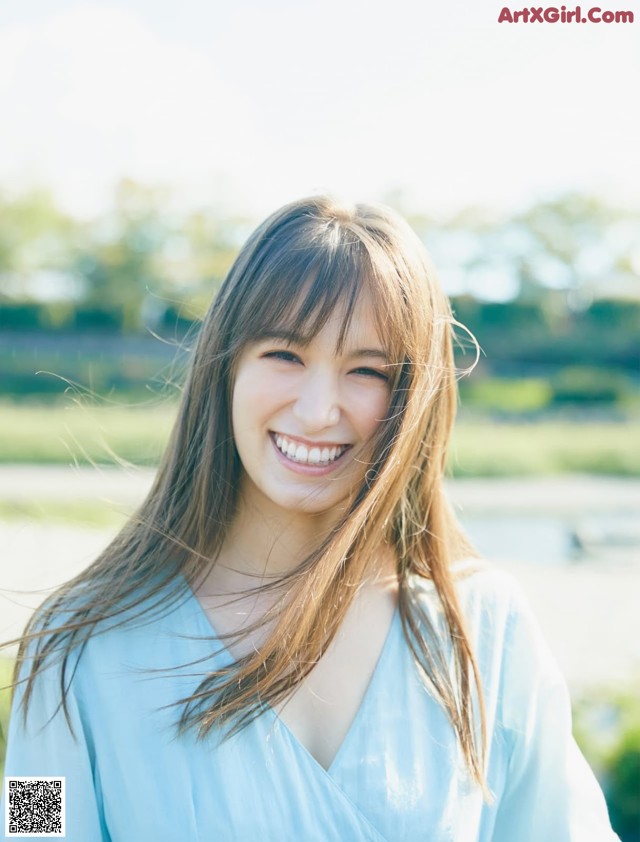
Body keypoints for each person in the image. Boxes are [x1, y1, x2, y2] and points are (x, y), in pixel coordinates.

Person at [1, 195, 619, 841]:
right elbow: (27, 829)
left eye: (367, 371)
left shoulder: (486, 631)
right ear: (226, 366)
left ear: (412, 396)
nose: (319, 410)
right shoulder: (71, 645)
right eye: (285, 356)